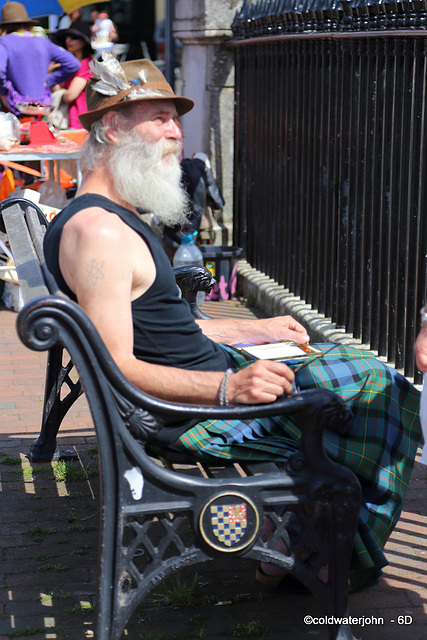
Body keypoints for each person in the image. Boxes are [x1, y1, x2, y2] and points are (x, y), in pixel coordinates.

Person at [43, 54, 421, 594]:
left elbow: (155, 329)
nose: (176, 131)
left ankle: (304, 537)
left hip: (206, 381)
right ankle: (323, 551)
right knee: (383, 393)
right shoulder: (100, 232)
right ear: (112, 126)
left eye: (175, 118)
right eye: (158, 118)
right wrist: (229, 386)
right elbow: (118, 363)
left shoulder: (106, 215)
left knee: (365, 373)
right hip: (195, 413)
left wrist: (247, 331)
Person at [0, 3, 81, 117]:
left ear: (5, 26)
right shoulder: (43, 42)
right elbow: (73, 64)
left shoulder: (4, 43)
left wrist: (4, 93)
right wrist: (48, 81)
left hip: (15, 108)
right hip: (42, 107)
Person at [51, 21, 94, 129]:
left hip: (80, 124)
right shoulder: (71, 65)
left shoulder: (88, 65)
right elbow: (59, 90)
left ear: (84, 41)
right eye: (67, 37)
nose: (68, 40)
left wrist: (60, 91)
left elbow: (69, 96)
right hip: (68, 121)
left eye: (73, 37)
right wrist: (51, 73)